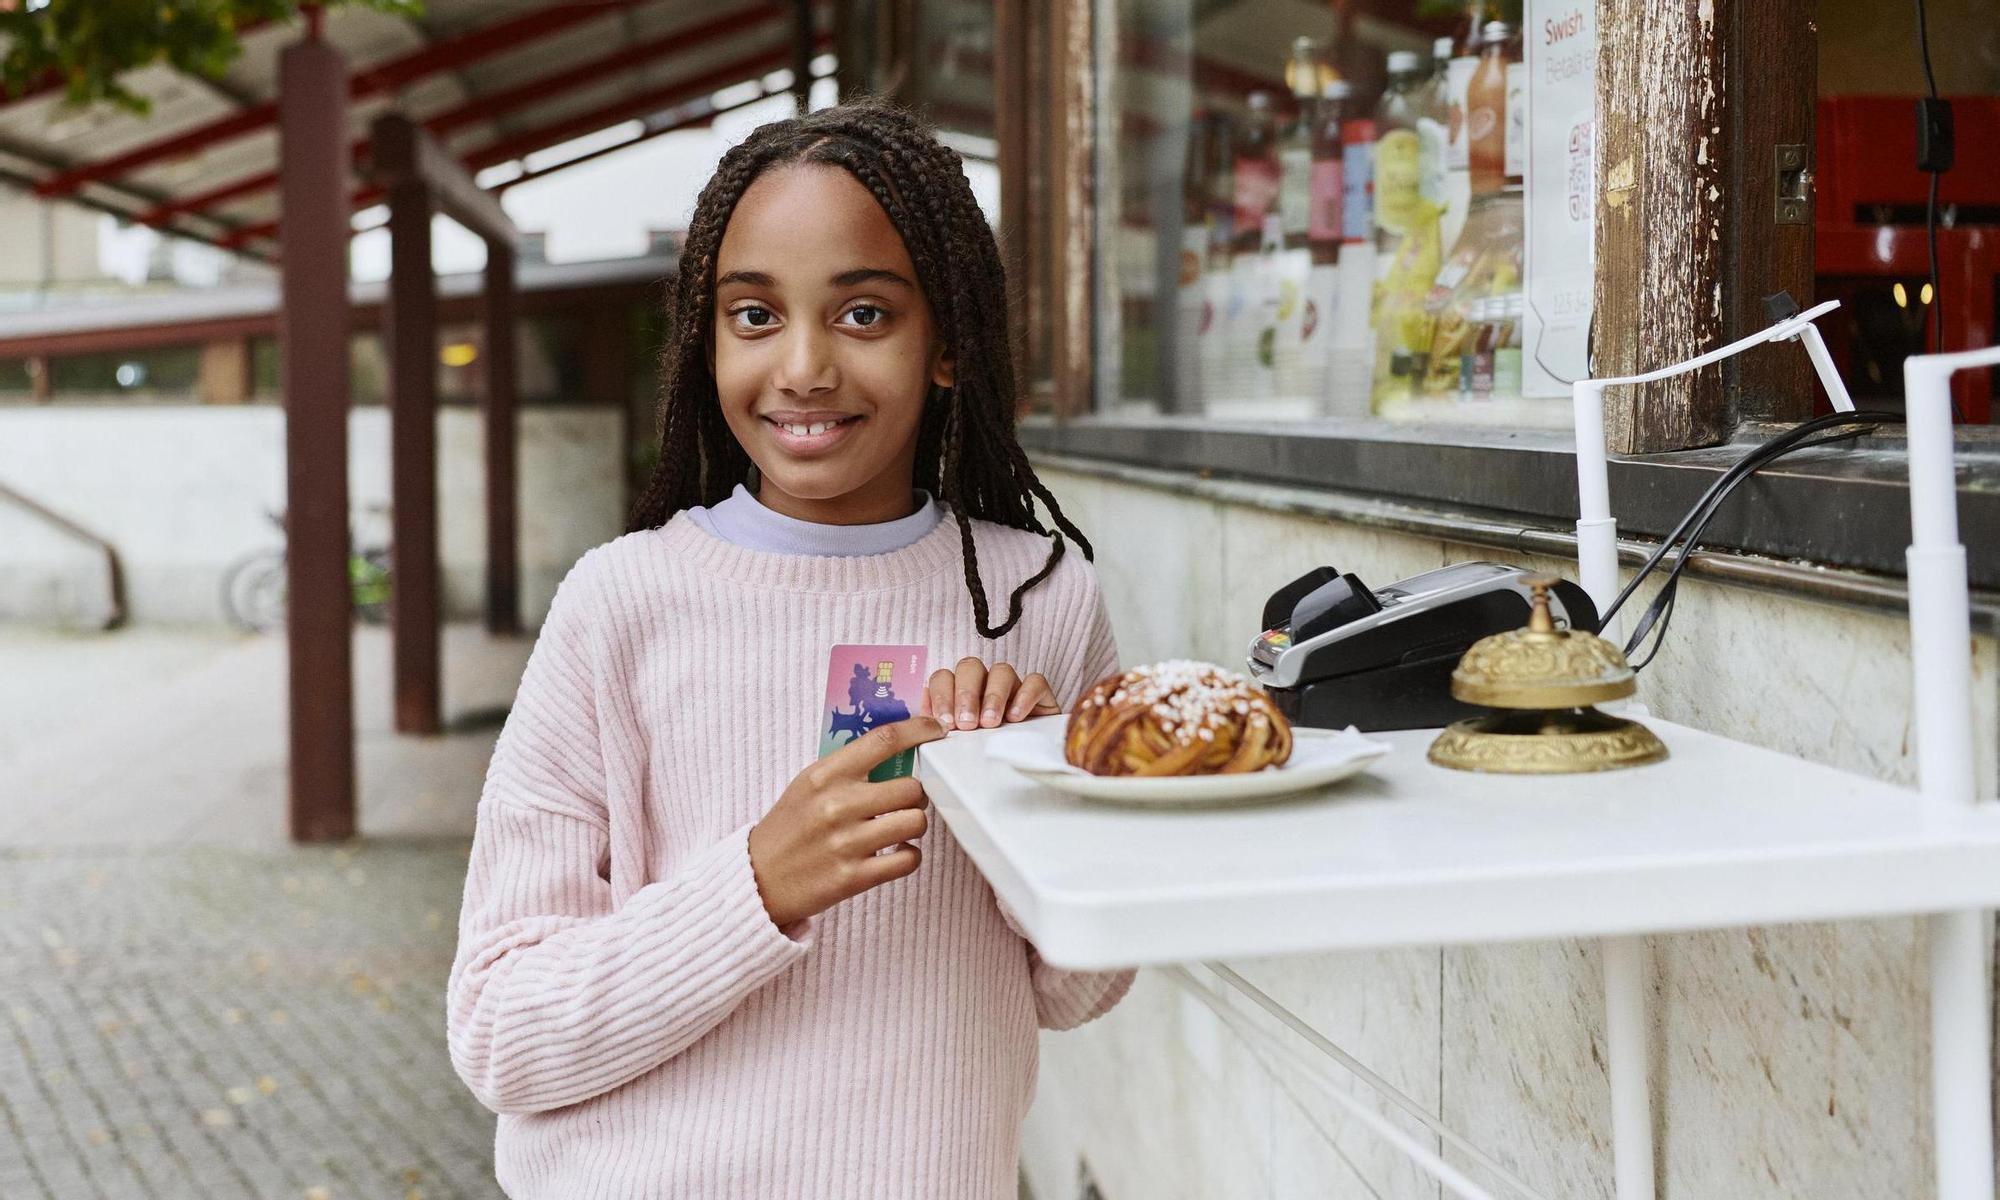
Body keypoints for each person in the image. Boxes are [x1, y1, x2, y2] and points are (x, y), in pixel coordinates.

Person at [446, 98, 1134, 1200]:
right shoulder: (620, 603)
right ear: (705, 340)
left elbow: (1077, 991)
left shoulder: (1036, 599)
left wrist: (1032, 794)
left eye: (863, 314)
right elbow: (500, 1035)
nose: (803, 367)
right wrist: (755, 887)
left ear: (947, 344)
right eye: (754, 317)